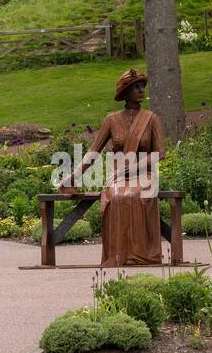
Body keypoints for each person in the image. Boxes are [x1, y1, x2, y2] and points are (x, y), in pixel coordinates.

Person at [64, 67, 166, 266]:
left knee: (134, 195)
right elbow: (93, 151)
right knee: (118, 196)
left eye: (142, 86)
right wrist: (75, 176)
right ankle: (119, 255)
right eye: (135, 87)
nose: (141, 90)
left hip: (144, 176)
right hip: (118, 177)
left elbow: (160, 153)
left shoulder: (151, 118)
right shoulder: (111, 120)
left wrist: (135, 167)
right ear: (125, 91)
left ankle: (142, 255)